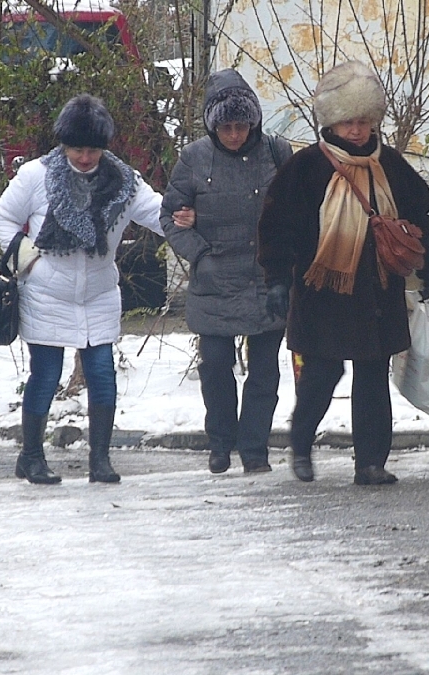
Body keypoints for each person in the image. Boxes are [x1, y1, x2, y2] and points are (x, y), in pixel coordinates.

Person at [258, 61, 429, 485]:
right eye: (347, 122)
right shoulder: (305, 168)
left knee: (373, 373)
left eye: (364, 121)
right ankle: (301, 444)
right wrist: (277, 281)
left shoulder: (390, 165)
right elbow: (277, 226)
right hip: (323, 289)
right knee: (324, 371)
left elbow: (418, 217)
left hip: (378, 290)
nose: (357, 131)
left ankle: (371, 463)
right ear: (331, 122)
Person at [0, 93, 163, 485]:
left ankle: (100, 459)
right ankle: (31, 455)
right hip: (46, 292)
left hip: (99, 293)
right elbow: (2, 215)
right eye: (77, 148)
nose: (85, 158)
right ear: (63, 143)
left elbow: (157, 212)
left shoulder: (124, 180)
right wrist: (27, 261)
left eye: (93, 149)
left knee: (102, 373)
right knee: (46, 374)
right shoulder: (36, 176)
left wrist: (185, 215)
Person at [161, 69, 291, 475]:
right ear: (212, 124)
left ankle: (255, 448)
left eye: (241, 125)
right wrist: (200, 254)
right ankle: (219, 442)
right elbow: (170, 214)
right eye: (225, 127)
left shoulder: (276, 152)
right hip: (214, 281)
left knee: (264, 371)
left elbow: (298, 206)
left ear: (253, 122)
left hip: (265, 279)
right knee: (216, 367)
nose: (234, 134)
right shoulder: (194, 157)